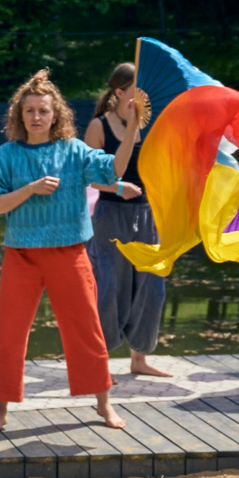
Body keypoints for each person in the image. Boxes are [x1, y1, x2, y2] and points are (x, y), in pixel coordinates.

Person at [0, 69, 140, 433]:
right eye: (30, 110)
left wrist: (131, 127)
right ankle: (1, 410)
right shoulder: (7, 155)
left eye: (44, 111)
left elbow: (114, 168)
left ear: (57, 115)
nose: (37, 117)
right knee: (9, 334)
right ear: (20, 115)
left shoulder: (73, 151)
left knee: (86, 329)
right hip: (21, 256)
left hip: (69, 254)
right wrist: (29, 189)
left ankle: (103, 404)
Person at [83, 63, 170, 378]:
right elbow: (92, 178)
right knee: (110, 288)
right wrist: (118, 187)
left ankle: (139, 358)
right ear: (120, 92)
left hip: (147, 215)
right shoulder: (99, 126)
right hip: (110, 214)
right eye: (137, 88)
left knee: (153, 288)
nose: (143, 95)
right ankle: (100, 363)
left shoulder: (153, 125)